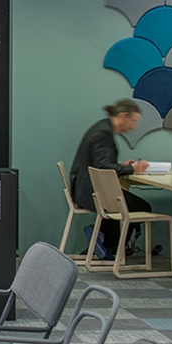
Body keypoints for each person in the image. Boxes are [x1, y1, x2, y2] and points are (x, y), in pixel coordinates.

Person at [69, 98, 152, 259]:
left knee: (127, 204)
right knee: (141, 207)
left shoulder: (103, 128)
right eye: (133, 121)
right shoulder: (102, 133)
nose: (134, 126)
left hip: (89, 188)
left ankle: (102, 238)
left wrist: (121, 166)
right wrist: (132, 169)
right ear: (123, 116)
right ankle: (109, 247)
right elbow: (102, 167)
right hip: (90, 192)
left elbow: (100, 164)